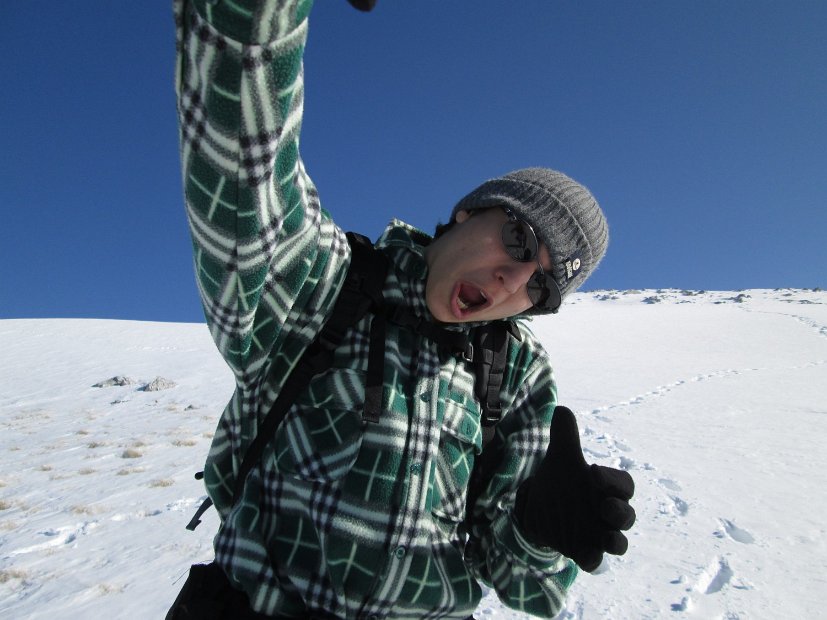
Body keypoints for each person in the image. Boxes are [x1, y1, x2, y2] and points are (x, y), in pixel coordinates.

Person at [171, 1, 635, 618]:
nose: (514, 281)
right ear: (468, 212)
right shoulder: (320, 281)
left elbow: (526, 584)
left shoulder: (515, 372)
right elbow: (244, 153)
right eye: (520, 241)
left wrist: (537, 530)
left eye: (542, 289)